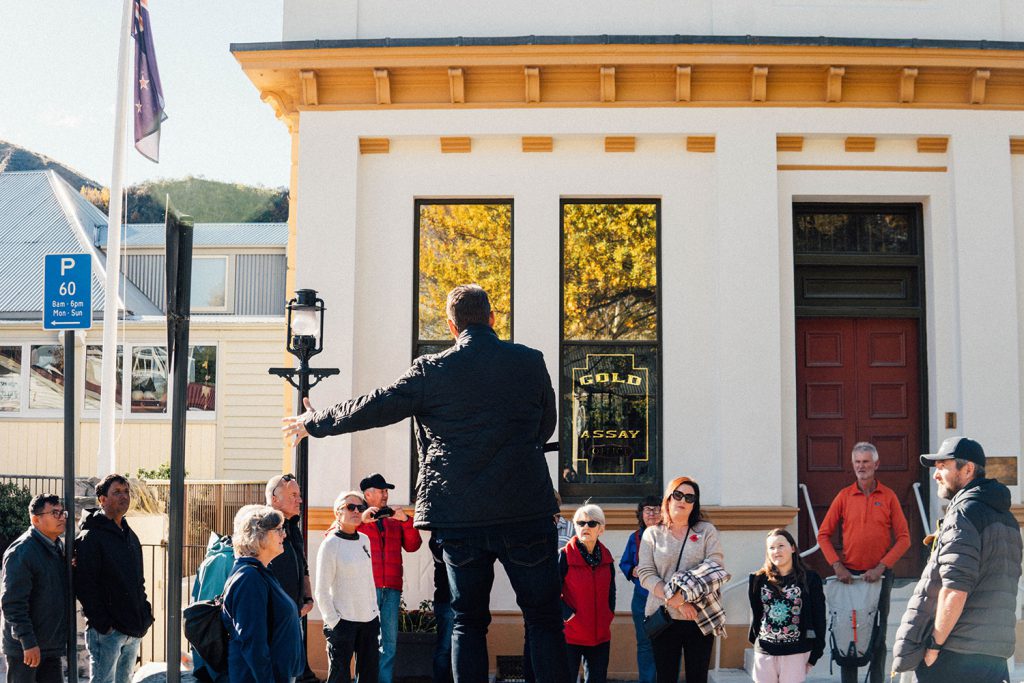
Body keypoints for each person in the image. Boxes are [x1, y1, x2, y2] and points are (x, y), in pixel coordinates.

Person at [283, 284, 567, 683]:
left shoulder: (431, 371)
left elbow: (375, 406)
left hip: (459, 515)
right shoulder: (529, 362)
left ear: (451, 326)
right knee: (544, 618)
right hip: (525, 507)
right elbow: (546, 425)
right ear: (492, 319)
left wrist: (317, 421)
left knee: (467, 620)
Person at [892, 436, 1022, 682]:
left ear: (968, 469)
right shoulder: (1007, 519)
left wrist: (934, 646)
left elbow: (955, 589)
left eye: (943, 466)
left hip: (955, 655)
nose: (935, 475)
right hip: (992, 654)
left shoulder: (963, 514)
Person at [815, 441, 910, 683]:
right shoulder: (844, 496)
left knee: (877, 634)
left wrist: (881, 567)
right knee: (849, 633)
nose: (861, 466)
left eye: (866, 462)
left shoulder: (888, 496)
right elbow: (823, 535)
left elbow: (904, 539)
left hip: (880, 577)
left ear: (876, 464)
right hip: (850, 578)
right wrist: (837, 566)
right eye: (857, 462)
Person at [636, 476, 725, 683]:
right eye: (678, 495)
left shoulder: (706, 531)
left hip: (699, 616)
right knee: (665, 677)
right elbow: (646, 573)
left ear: (695, 503)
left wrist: (684, 598)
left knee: (697, 677)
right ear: (668, 498)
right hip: (664, 617)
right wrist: (673, 599)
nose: (683, 500)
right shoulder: (653, 534)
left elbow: (715, 568)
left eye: (689, 497)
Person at [75, 474, 154, 683]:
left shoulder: (130, 535)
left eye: (126, 491)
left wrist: (145, 615)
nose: (124, 496)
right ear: (102, 499)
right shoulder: (90, 537)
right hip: (107, 633)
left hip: (133, 629)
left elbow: (138, 580)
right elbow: (85, 585)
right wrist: (104, 624)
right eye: (117, 492)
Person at [221, 504, 304, 683]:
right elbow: (253, 642)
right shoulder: (249, 577)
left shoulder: (262, 572)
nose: (285, 534)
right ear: (259, 535)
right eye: (278, 530)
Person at [356, 473, 422, 683]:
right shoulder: (356, 517)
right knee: (366, 642)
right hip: (367, 589)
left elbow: (413, 545)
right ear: (368, 494)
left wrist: (405, 521)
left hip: (392, 589)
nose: (386, 495)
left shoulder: (394, 520)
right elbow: (335, 536)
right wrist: (361, 520)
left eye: (386, 491)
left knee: (390, 644)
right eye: (381, 491)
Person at [0, 494, 68, 683]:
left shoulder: (57, 548)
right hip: (26, 649)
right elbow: (12, 603)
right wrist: (27, 642)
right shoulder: (22, 551)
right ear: (35, 519)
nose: (61, 517)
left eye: (62, 512)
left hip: (50, 647)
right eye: (55, 513)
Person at [316, 492, 380, 683]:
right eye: (350, 507)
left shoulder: (364, 540)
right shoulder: (330, 545)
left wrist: (374, 612)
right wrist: (334, 621)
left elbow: (368, 581)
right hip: (343, 622)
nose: (356, 511)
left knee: (369, 676)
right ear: (337, 513)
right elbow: (321, 590)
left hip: (368, 621)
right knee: (339, 677)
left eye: (360, 508)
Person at [747, 529, 825, 683]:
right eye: (772, 547)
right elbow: (755, 614)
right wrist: (756, 643)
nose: (776, 551)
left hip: (796, 652)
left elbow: (819, 617)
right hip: (764, 651)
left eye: (781, 545)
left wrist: (816, 653)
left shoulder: (810, 579)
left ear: (793, 548)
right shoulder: (757, 579)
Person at [265, 473, 320, 683]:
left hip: (293, 616)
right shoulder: (263, 527)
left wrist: (308, 598)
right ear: (275, 498)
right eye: (293, 495)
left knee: (291, 674)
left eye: (299, 495)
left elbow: (303, 566)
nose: (300, 500)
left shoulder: (293, 527)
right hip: (272, 619)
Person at [559, 504, 614, 683]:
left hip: (600, 635)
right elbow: (550, 592)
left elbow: (611, 590)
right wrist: (568, 615)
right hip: (571, 634)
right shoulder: (565, 556)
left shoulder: (607, 557)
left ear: (601, 529)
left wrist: (608, 613)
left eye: (591, 523)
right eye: (580, 523)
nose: (585, 527)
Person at [618, 495, 661, 683]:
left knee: (668, 645)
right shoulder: (634, 537)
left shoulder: (670, 535)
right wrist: (632, 570)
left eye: (656, 509)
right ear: (641, 514)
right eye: (647, 509)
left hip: (665, 599)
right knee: (645, 644)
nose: (651, 513)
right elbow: (624, 563)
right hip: (642, 599)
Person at [190, 533, 234, 683]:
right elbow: (210, 617)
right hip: (215, 663)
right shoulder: (222, 560)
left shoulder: (222, 558)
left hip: (213, 659)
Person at [428, 535, 454, 683]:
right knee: (445, 648)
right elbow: (445, 556)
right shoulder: (437, 538)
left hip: (467, 599)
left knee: (466, 646)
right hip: (446, 599)